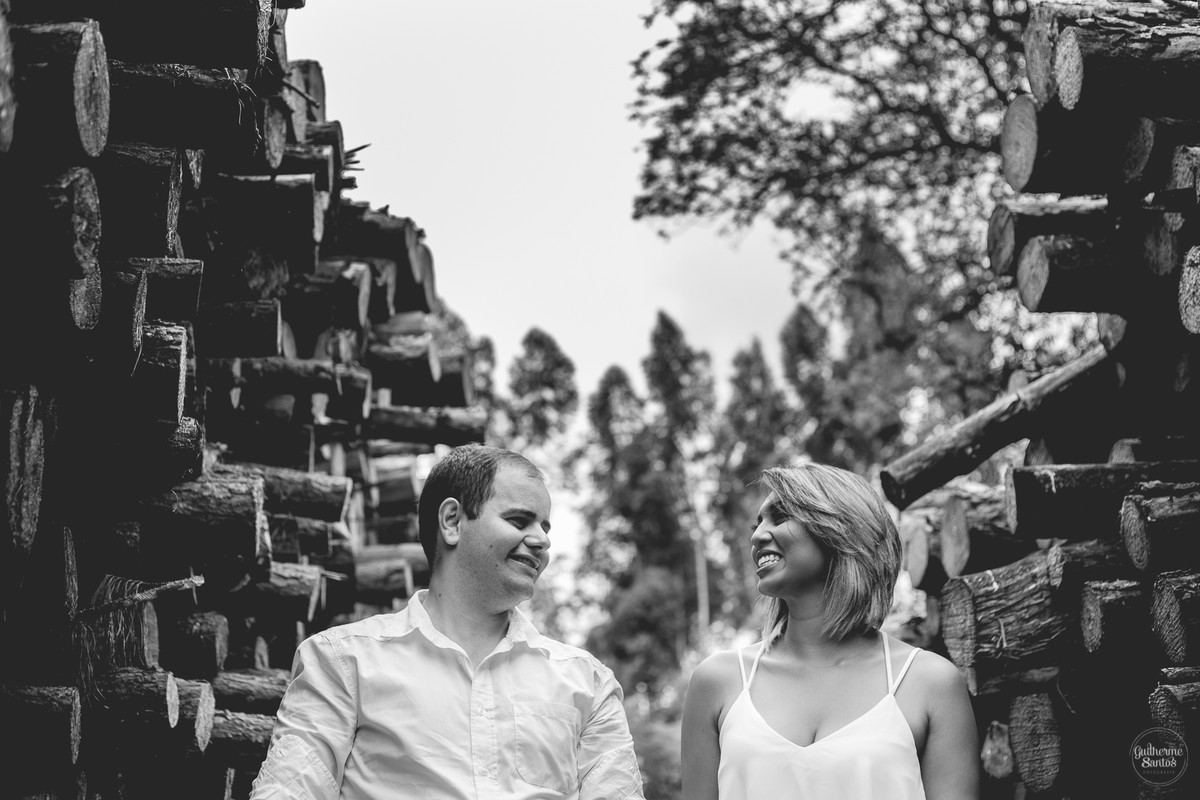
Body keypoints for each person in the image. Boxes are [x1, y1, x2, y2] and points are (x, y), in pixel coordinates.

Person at [250, 444, 645, 800]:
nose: (541, 540)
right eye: (520, 520)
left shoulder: (588, 683)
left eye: (545, 527)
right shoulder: (342, 662)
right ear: (453, 521)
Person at [680, 463, 980, 800]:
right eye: (758, 523)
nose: (757, 535)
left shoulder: (931, 683)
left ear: (840, 529)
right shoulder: (717, 681)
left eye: (780, 517)